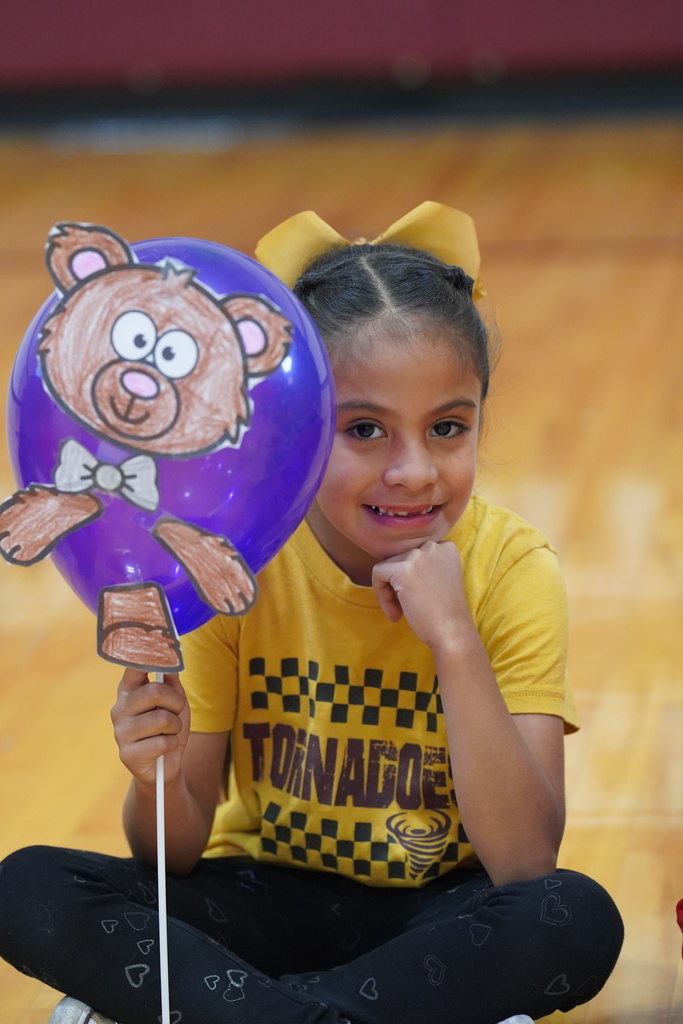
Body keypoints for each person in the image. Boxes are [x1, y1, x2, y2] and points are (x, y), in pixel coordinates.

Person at [0, 202, 624, 1024]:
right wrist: (154, 771)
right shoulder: (233, 561)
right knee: (27, 886)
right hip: (259, 901)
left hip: (434, 914)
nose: (413, 471)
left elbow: (523, 862)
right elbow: (172, 853)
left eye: (447, 428)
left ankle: (238, 1015)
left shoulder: (511, 570)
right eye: (364, 429)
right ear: (292, 429)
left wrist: (453, 638)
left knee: (574, 918)